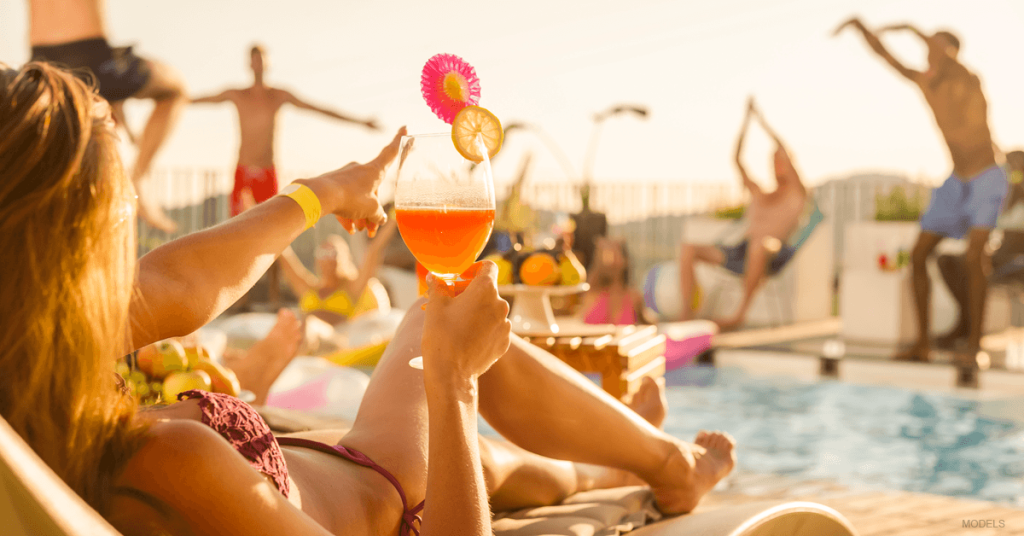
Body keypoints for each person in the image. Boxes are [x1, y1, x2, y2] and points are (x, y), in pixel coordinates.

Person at [0, 62, 736, 536]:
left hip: (349, 466)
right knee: (439, 341)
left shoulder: (31, 363)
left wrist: (323, 194)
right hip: (394, 499)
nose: (137, 222)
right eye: (122, 210)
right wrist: (451, 380)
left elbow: (178, 283)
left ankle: (616, 466)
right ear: (76, 257)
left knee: (498, 463)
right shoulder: (163, 459)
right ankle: (666, 467)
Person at [836, 19, 1008, 362]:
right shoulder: (926, 83)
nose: (929, 53)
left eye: (937, 47)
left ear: (952, 53)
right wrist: (861, 28)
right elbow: (887, 57)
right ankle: (922, 344)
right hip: (956, 181)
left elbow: (942, 53)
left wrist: (910, 28)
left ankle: (974, 346)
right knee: (917, 256)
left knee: (976, 256)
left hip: (987, 175)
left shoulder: (968, 79)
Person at [27, 0, 188, 233]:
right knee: (175, 89)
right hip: (91, 58)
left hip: (40, 61)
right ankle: (139, 178)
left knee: (72, 149)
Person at [191, 45, 380, 217]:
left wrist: (360, 121)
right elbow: (201, 99)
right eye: (255, 60)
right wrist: (168, 101)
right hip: (244, 173)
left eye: (262, 59)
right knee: (237, 231)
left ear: (268, 63)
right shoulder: (237, 94)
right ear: (249, 64)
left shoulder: (278, 95)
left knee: (272, 229)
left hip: (268, 173)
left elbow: (318, 108)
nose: (259, 64)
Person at [677, 98, 807, 331]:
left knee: (759, 244)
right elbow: (737, 159)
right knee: (688, 248)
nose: (777, 164)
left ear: (789, 163)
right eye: (773, 160)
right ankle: (687, 315)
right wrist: (746, 120)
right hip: (741, 251)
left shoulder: (797, 194)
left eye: (781, 160)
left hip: (773, 252)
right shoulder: (760, 193)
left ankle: (738, 316)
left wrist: (762, 121)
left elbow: (782, 147)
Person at [935, 150, 1024, 349]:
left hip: (1018, 259)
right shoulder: (1006, 194)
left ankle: (969, 330)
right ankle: (966, 322)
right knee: (948, 261)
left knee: (977, 265)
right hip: (1000, 254)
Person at [279, 219, 399, 327]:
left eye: (334, 253)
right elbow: (284, 255)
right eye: (323, 253)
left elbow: (374, 251)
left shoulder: (350, 288)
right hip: (307, 345)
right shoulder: (308, 287)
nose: (329, 258)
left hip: (337, 343)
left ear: (343, 258)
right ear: (317, 259)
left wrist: (393, 218)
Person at [581, 238, 646, 325]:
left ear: (625, 260)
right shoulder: (592, 293)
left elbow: (646, 324)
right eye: (606, 253)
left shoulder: (635, 297)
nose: (610, 259)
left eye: (615, 253)